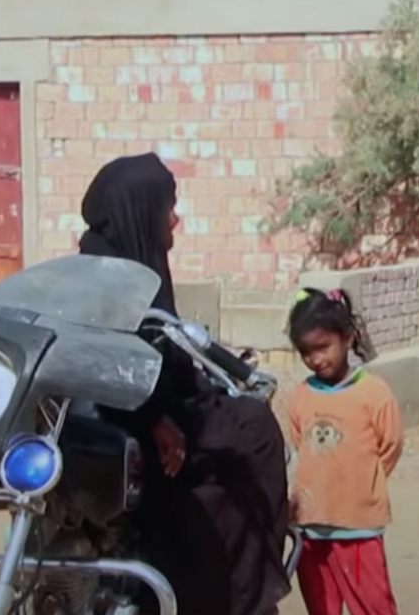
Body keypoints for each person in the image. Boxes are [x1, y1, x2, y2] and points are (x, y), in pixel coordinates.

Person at [78, 152, 292, 615]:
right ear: (139, 208)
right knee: (253, 433)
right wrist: (155, 418)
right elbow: (110, 356)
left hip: (140, 405)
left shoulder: (114, 257)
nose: (174, 220)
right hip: (122, 413)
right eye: (166, 207)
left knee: (243, 418)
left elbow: (159, 344)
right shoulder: (107, 276)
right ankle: (234, 592)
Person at [287, 287, 403, 615]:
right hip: (310, 525)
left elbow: (390, 446)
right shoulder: (301, 395)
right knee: (320, 606)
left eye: (323, 348)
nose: (316, 359)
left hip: (358, 526)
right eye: (306, 352)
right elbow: (302, 444)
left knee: (373, 606)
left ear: (348, 339)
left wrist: (361, 485)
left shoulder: (374, 393)